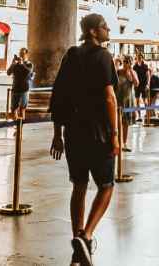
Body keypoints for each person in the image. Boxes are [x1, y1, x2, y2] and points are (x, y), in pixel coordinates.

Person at [51, 14, 120, 266]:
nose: (108, 29)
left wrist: (57, 134)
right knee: (106, 185)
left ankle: (76, 241)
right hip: (98, 132)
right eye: (104, 27)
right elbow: (109, 98)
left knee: (78, 186)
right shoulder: (103, 56)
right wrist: (114, 135)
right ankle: (87, 236)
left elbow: (58, 94)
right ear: (93, 31)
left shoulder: (71, 55)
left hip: (73, 132)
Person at [114, 57, 137, 151]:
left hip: (128, 101)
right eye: (125, 61)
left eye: (128, 62)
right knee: (117, 122)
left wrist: (130, 70)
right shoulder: (118, 72)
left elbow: (136, 83)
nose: (126, 63)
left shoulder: (132, 72)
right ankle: (117, 142)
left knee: (126, 123)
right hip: (119, 99)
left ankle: (124, 143)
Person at [6, 49, 33, 119]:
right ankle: (15, 125)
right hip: (15, 88)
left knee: (22, 108)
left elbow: (28, 72)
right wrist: (12, 64)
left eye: (22, 54)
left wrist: (22, 64)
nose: (21, 55)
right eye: (20, 53)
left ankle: (21, 126)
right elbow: (8, 73)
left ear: (26, 54)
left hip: (24, 89)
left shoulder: (29, 64)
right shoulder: (15, 64)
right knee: (13, 108)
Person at [132, 55, 150, 123]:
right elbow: (133, 75)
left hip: (143, 85)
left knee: (145, 100)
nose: (139, 59)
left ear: (142, 58)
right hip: (137, 85)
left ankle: (147, 114)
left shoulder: (145, 66)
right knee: (137, 101)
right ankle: (139, 116)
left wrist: (148, 84)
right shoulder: (135, 66)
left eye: (140, 58)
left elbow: (148, 75)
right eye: (138, 58)